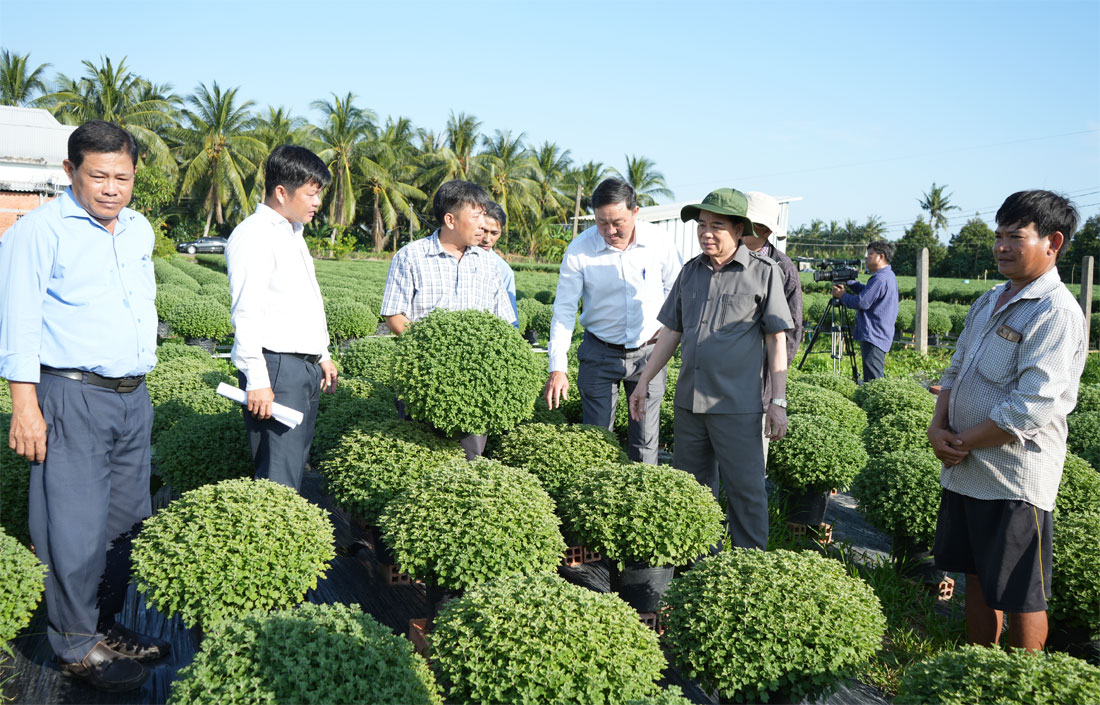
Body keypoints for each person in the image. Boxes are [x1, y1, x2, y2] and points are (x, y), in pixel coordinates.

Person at [0, 121, 168, 691]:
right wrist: (25, 405)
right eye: (98, 175)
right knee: (72, 526)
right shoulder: (39, 232)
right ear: (70, 172)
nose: (111, 187)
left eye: (122, 177)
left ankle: (103, 623)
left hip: (132, 396)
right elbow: (18, 320)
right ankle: (73, 644)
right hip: (70, 394)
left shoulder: (139, 230)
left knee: (126, 522)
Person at [927, 190, 1085, 651]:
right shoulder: (992, 298)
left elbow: (1033, 405)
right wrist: (939, 428)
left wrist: (961, 442)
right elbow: (954, 369)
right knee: (976, 576)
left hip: (1015, 478)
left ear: (1052, 242)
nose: (1001, 246)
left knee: (1020, 593)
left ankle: (1022, 681)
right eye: (998, 236)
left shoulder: (1054, 311)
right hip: (967, 471)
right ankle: (982, 669)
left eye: (1015, 236)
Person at [629, 188, 793, 549]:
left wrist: (777, 403)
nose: (706, 232)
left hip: (735, 405)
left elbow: (776, 340)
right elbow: (672, 331)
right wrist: (643, 383)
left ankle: (750, 569)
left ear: (738, 229)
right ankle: (698, 569)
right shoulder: (691, 272)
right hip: (689, 404)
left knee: (746, 492)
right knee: (693, 493)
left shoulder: (764, 273)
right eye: (701, 225)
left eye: (716, 225)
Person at [544, 178, 681, 463]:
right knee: (596, 440)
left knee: (645, 440)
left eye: (617, 221)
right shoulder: (580, 250)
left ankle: (641, 498)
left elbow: (676, 292)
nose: (609, 231)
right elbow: (564, 311)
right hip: (599, 352)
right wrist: (557, 367)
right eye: (601, 223)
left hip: (649, 353)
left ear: (635, 212)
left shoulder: (659, 242)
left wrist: (665, 336)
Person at [226, 145, 338, 492]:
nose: (317, 202)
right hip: (276, 367)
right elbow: (246, 311)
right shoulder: (255, 235)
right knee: (278, 477)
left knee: (293, 466)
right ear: (281, 191)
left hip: (301, 368)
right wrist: (257, 378)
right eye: (311, 193)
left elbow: (303, 302)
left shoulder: (292, 233)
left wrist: (323, 354)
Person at [380, 180, 516, 458]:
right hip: (423, 379)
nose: (482, 224)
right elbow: (394, 314)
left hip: (477, 384)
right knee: (419, 457)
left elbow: (503, 322)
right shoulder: (411, 257)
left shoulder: (490, 263)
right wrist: (434, 354)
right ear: (450, 219)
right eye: (476, 216)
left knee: (469, 461)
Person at [744, 191, 802, 439]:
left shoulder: (782, 268)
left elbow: (790, 333)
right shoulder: (718, 261)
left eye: (745, 225)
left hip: (760, 381)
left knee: (751, 459)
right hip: (719, 381)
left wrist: (774, 389)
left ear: (765, 231)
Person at [831, 240, 899, 382]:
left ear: (880, 256)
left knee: (873, 380)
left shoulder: (880, 278)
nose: (867, 257)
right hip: (878, 333)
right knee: (873, 375)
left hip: (874, 334)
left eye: (870, 254)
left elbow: (862, 302)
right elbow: (867, 293)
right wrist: (850, 282)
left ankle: (874, 403)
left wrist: (842, 295)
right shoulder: (886, 275)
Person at [478, 201, 518, 322]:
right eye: (483, 230)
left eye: (494, 233)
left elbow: (511, 322)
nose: (487, 239)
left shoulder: (503, 271)